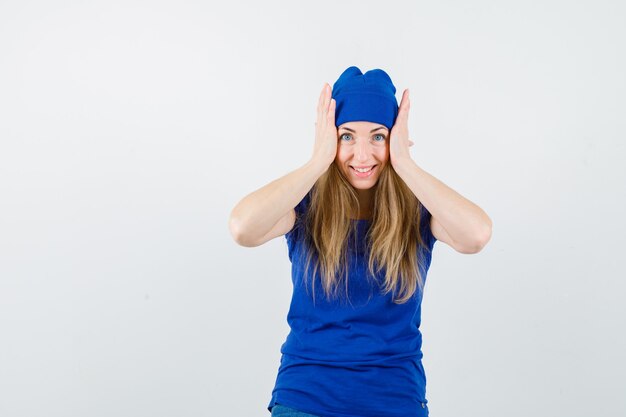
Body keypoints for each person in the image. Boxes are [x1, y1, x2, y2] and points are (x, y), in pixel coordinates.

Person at [228, 66, 492, 417]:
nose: (363, 155)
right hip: (306, 396)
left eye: (378, 137)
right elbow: (242, 228)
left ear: (394, 138)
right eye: (347, 136)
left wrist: (406, 164)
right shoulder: (305, 205)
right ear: (329, 137)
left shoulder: (419, 212)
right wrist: (317, 161)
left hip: (395, 399)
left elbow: (476, 235)